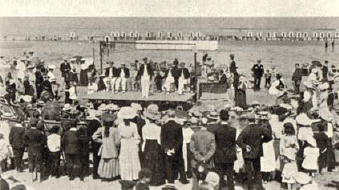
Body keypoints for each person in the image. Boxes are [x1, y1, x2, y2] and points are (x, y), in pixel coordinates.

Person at [236, 113, 272, 190]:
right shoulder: (260, 128)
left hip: (247, 153)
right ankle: (259, 187)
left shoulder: (245, 130)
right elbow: (269, 137)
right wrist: (262, 141)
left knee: (248, 172)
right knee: (257, 170)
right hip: (257, 151)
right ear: (255, 120)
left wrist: (245, 146)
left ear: (247, 120)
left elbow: (238, 141)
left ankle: (250, 188)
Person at [161, 110, 188, 184]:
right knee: (180, 164)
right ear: (174, 116)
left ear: (168, 116)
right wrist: (175, 149)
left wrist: (167, 149)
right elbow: (180, 139)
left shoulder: (164, 126)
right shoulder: (178, 126)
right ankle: (183, 179)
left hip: (168, 148)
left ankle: (170, 180)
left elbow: (162, 139)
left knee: (169, 165)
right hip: (177, 149)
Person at [141, 104, 166, 186]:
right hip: (155, 145)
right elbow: (159, 140)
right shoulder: (158, 128)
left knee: (148, 162)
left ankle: (147, 179)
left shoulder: (144, 127)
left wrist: (143, 148)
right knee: (157, 163)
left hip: (147, 144)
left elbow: (144, 139)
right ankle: (156, 180)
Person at [190, 117, 216, 190]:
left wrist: (199, 157)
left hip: (196, 160)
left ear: (200, 123)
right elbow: (212, 149)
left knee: (195, 177)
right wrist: (205, 158)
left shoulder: (194, 135)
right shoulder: (211, 135)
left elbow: (192, 148)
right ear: (207, 124)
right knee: (206, 177)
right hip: (207, 161)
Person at [92, 113, 120, 180]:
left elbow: (94, 137)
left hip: (105, 147)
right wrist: (117, 146)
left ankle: (105, 175)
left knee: (105, 161)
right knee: (112, 160)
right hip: (113, 148)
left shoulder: (102, 129)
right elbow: (118, 141)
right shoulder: (115, 130)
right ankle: (112, 175)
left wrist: (102, 141)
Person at [214, 109, 236, 190]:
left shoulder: (216, 130)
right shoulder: (233, 130)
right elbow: (233, 142)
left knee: (219, 176)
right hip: (230, 155)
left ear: (220, 118)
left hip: (219, 155)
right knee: (230, 176)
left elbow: (216, 142)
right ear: (228, 118)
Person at [117, 107, 141, 181]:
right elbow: (136, 136)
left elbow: (136, 136)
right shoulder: (131, 125)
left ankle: (129, 176)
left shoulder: (123, 125)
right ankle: (129, 176)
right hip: (128, 142)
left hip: (127, 142)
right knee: (129, 159)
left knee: (129, 159)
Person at [280, 123, 299, 190]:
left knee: (287, 169)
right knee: (293, 169)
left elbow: (281, 147)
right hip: (292, 153)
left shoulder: (283, 137)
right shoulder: (294, 136)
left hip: (286, 153)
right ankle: (292, 186)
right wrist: (294, 151)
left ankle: (288, 186)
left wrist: (282, 155)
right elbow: (297, 147)